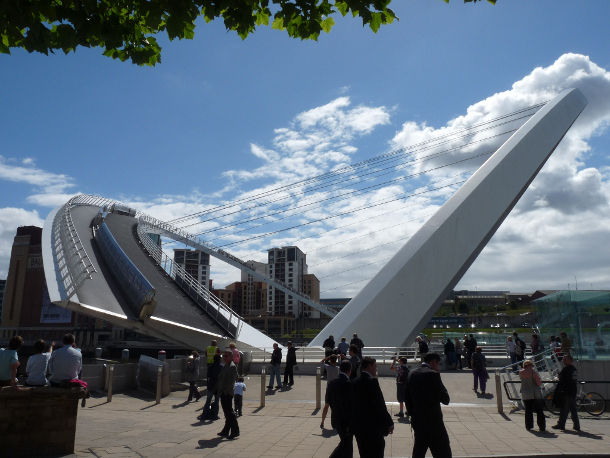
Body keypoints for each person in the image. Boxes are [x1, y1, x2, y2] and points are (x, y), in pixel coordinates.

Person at [406, 353, 451, 458]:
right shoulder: (433, 374)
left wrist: (413, 414)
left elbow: (407, 397)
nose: (438, 366)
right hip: (434, 423)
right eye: (438, 364)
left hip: (418, 421)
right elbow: (445, 399)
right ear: (434, 362)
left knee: (419, 452)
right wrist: (438, 376)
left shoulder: (411, 374)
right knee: (443, 452)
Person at [349, 357, 393, 458]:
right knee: (377, 451)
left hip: (359, 427)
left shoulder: (354, 382)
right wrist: (389, 422)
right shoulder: (372, 381)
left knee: (364, 453)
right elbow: (379, 404)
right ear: (369, 367)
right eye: (375, 366)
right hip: (372, 427)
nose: (376, 369)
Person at [327, 360, 353, 458]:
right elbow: (348, 404)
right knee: (346, 444)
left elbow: (330, 401)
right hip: (345, 421)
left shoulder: (332, 382)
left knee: (345, 443)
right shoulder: (348, 383)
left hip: (336, 418)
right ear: (350, 370)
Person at [552, 353, 580, 431]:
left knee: (564, 409)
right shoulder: (574, 369)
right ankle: (576, 425)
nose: (563, 361)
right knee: (573, 409)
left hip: (566, 391)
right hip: (573, 391)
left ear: (570, 360)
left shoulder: (566, 369)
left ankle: (561, 424)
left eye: (565, 359)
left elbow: (562, 378)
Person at [215, 351, 239, 439]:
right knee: (227, 413)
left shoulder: (232, 367)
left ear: (231, 357)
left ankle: (235, 431)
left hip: (227, 393)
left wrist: (224, 392)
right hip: (223, 392)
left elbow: (230, 381)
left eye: (226, 356)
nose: (224, 357)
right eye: (223, 356)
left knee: (229, 413)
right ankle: (225, 431)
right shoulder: (226, 365)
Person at [519, 360, 545, 432]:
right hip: (534, 393)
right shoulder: (534, 372)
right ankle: (541, 426)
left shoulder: (521, 372)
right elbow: (539, 383)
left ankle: (529, 426)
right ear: (530, 366)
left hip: (525, 393)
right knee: (539, 410)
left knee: (528, 410)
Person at [200, 354, 222, 420]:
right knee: (217, 400)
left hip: (211, 385)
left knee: (208, 401)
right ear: (220, 359)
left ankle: (204, 415)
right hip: (218, 386)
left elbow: (208, 376)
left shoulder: (210, 366)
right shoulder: (222, 367)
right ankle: (214, 415)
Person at [320, 355, 340, 429]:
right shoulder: (337, 368)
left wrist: (327, 357)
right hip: (336, 388)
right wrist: (339, 358)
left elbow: (321, 362)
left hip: (329, 388)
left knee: (326, 405)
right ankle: (335, 423)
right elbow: (340, 363)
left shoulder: (328, 368)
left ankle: (322, 422)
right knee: (335, 407)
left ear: (330, 361)